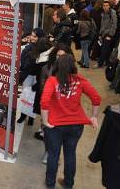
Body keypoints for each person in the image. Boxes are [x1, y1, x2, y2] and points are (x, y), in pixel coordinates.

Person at [41, 54, 101, 188]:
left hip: (55, 125)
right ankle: (68, 184)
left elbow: (44, 102)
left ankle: (50, 184)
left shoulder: (52, 81)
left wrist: (45, 121)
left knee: (53, 155)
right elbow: (96, 98)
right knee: (70, 154)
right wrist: (94, 116)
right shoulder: (79, 80)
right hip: (76, 125)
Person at [96, 1, 117, 68]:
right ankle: (109, 63)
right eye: (104, 5)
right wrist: (100, 34)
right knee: (107, 49)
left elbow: (114, 25)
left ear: (109, 6)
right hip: (103, 34)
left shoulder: (112, 13)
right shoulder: (103, 13)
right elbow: (102, 25)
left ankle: (100, 63)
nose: (105, 7)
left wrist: (110, 35)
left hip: (108, 34)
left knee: (104, 49)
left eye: (107, 5)